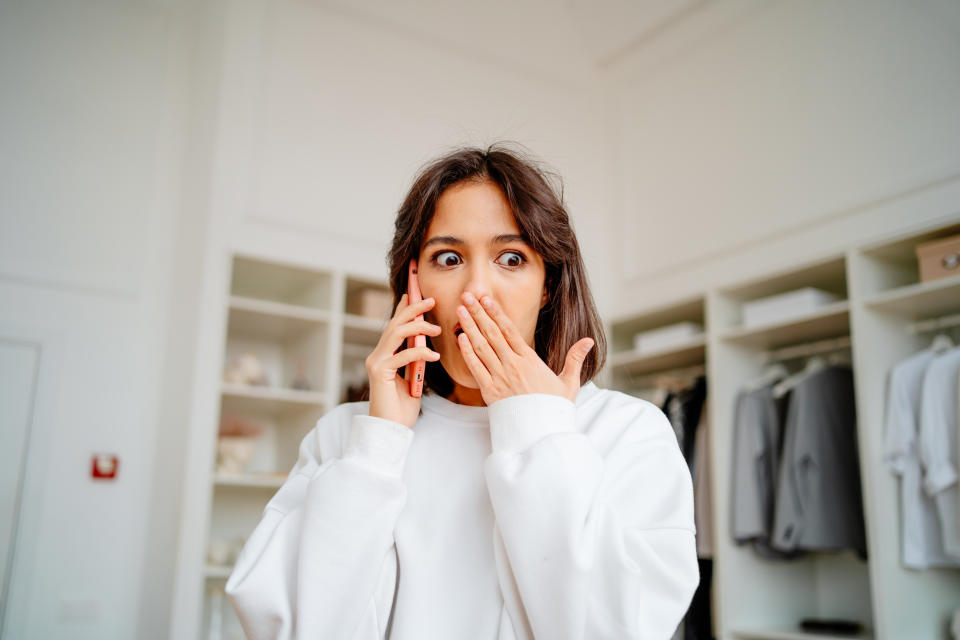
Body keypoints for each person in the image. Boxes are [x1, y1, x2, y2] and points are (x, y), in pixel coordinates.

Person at [225, 144, 699, 639]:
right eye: (448, 258)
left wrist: (536, 425)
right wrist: (377, 445)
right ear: (413, 281)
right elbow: (291, 627)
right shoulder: (345, 437)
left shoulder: (626, 431)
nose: (477, 292)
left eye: (511, 258)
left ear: (548, 286)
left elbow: (617, 629)